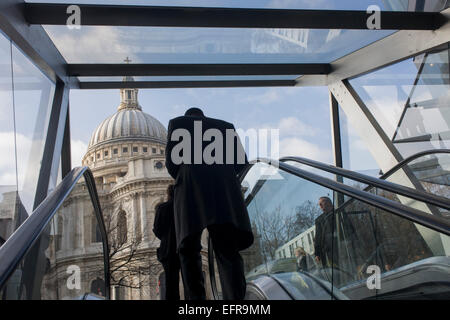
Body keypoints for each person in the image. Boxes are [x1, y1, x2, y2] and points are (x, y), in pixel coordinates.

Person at [165, 107, 254, 300]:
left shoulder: (178, 124)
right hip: (223, 192)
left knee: (189, 251)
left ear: (188, 116)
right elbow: (241, 163)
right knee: (227, 250)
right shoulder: (225, 127)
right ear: (202, 115)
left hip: (190, 191)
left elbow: (172, 165)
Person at [153, 184, 181, 300]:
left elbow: (157, 229)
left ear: (168, 194)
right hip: (186, 246)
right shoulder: (185, 207)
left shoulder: (162, 208)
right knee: (191, 281)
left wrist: (166, 237)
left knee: (171, 283)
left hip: (168, 249)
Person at [314, 196, 335, 268]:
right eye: (319, 205)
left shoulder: (340, 212)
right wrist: (317, 253)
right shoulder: (319, 220)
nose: (320, 206)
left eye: (321, 203)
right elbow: (318, 237)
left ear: (329, 203)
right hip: (330, 253)